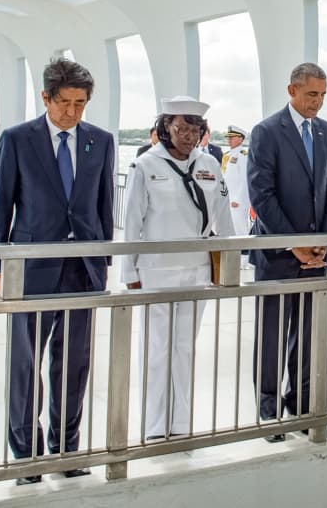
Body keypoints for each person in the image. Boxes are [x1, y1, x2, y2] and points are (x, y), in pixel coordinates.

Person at [0, 58, 115, 484]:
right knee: (27, 365)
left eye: (80, 104)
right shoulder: (19, 139)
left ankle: (66, 450)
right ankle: (27, 457)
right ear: (46, 97)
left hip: (83, 271)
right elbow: (1, 204)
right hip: (32, 270)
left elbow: (102, 206)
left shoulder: (102, 141)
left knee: (74, 365)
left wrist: (104, 260)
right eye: (64, 103)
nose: (72, 113)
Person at [121, 96, 234, 440]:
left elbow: (224, 219)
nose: (188, 135)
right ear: (165, 128)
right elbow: (131, 223)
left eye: (195, 128)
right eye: (181, 127)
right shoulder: (146, 165)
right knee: (157, 350)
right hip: (155, 271)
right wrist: (130, 273)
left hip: (196, 271)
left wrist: (229, 268)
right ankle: (155, 426)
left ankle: (180, 425)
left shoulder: (210, 165)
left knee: (184, 349)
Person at [247, 62, 327, 441]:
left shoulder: (326, 132)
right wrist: (294, 243)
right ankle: (268, 412)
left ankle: (299, 406)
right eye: (310, 95)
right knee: (272, 335)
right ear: (291, 90)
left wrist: (324, 241)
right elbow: (261, 194)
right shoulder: (266, 132)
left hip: (316, 255)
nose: (316, 103)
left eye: (321, 95)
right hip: (277, 254)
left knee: (306, 336)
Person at [221, 125, 253, 238]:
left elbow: (246, 179)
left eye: (232, 137)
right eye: (228, 137)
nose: (229, 139)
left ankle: (246, 250)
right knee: (230, 227)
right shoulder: (227, 155)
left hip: (238, 200)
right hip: (227, 198)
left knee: (240, 227)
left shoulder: (243, 155)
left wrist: (238, 199)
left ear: (240, 138)